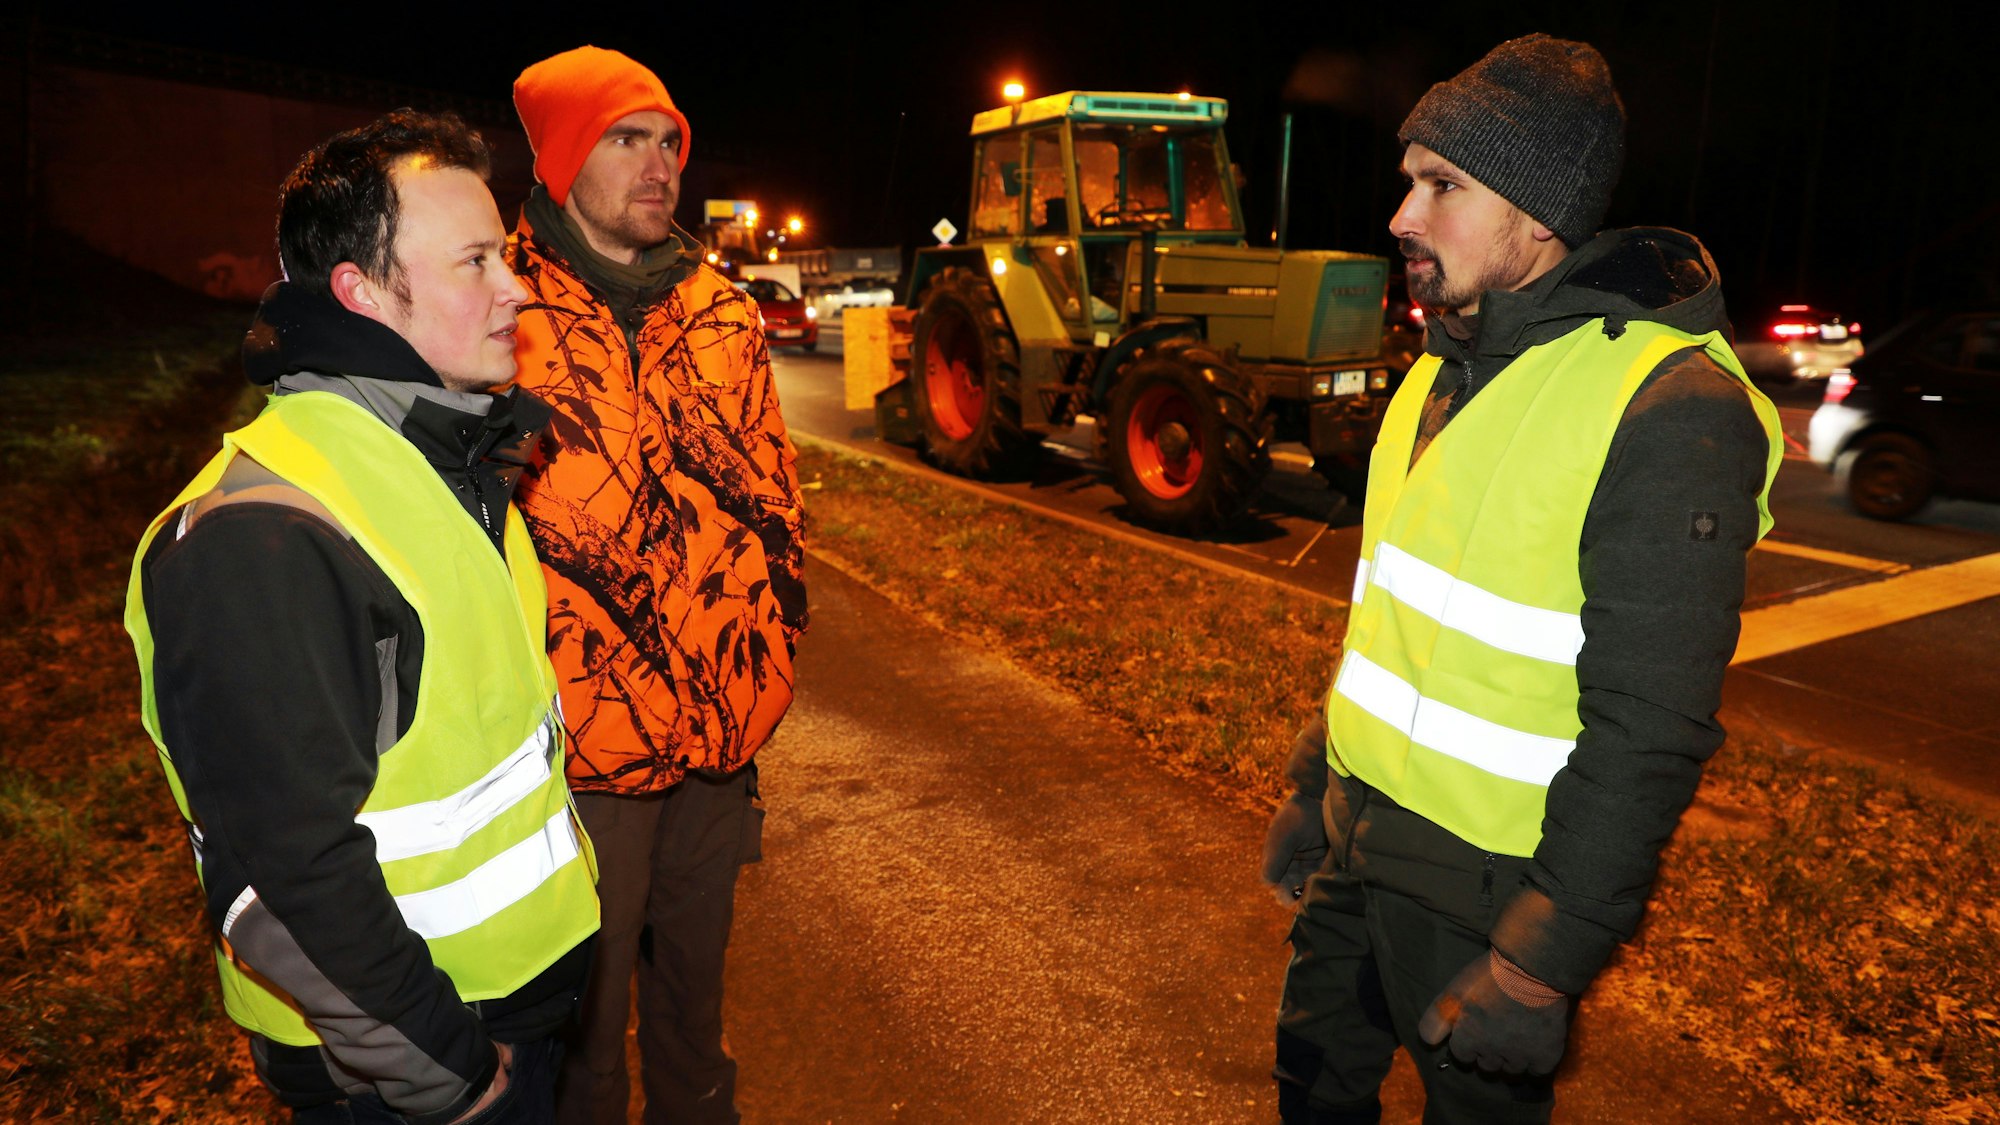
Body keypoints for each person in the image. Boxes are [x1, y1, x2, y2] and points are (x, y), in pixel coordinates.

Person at [1261, 34, 1784, 1124]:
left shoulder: (1670, 406)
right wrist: (1317, 784)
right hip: (1358, 845)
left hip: (1486, 900)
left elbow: (1649, 729)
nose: (1401, 215)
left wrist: (1541, 964)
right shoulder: (1442, 368)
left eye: (1442, 185)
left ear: (1539, 214)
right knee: (1310, 1088)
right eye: (1408, 180)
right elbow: (1389, 625)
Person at [124, 109, 599, 1123]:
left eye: (505, 255)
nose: (516, 288)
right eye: (475, 261)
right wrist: (454, 1078)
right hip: (414, 1074)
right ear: (361, 292)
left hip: (503, 1021)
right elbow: (279, 876)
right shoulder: (264, 532)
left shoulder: (446, 459)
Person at [505, 46, 808, 1125]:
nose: (659, 163)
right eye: (625, 139)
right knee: (581, 1040)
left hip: (717, 738)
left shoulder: (722, 309)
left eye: (668, 140)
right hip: (576, 751)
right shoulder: (498, 309)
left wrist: (768, 661)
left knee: (692, 1013)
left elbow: (775, 498)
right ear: (560, 160)